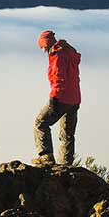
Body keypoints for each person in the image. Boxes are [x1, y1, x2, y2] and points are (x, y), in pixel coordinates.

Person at [33, 30, 81, 166]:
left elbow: (58, 78)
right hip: (75, 98)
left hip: (61, 97)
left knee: (40, 123)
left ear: (46, 44)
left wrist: (54, 98)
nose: (42, 51)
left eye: (42, 47)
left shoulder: (57, 55)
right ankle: (66, 164)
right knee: (67, 134)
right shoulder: (68, 52)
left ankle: (46, 157)